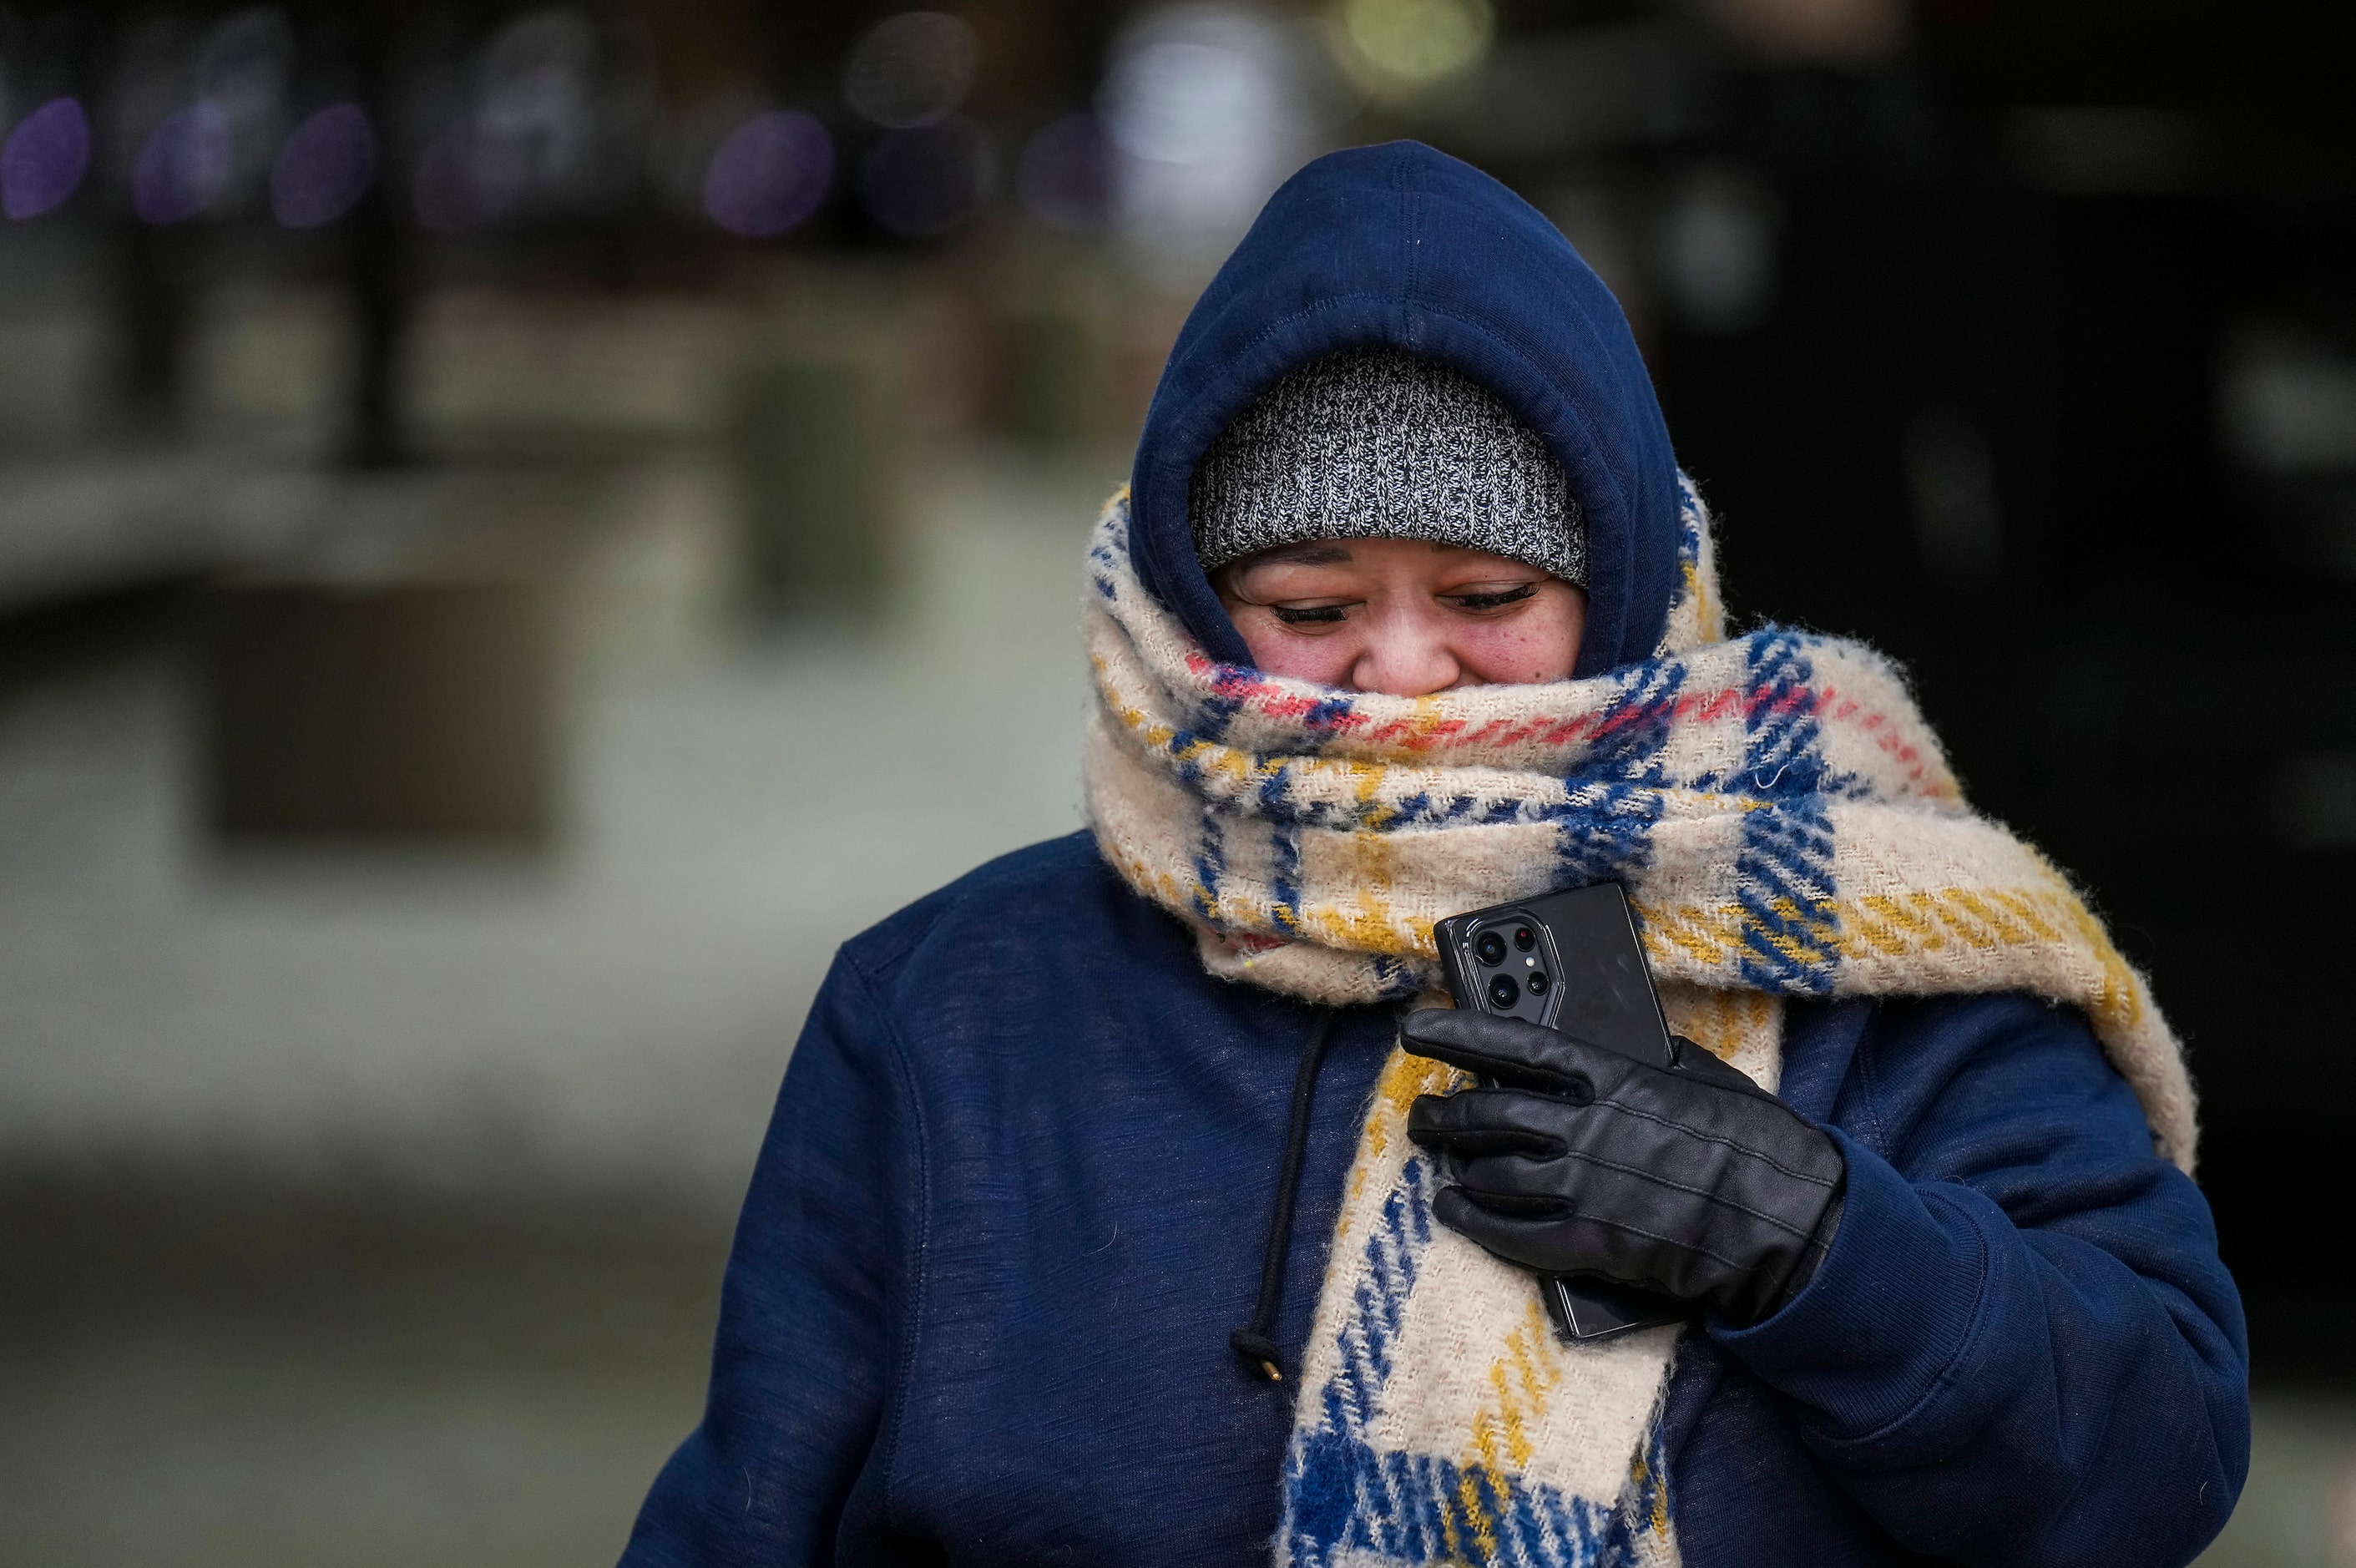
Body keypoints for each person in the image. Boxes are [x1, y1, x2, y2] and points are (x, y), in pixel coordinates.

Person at [619, 142, 2247, 1568]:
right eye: (1313, 607)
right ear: (1194, 597)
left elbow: (2151, 1465)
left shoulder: (1873, 943)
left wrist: (1819, 1240)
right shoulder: (950, 1009)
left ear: (1615, 581)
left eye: (1483, 598)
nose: (1402, 671)